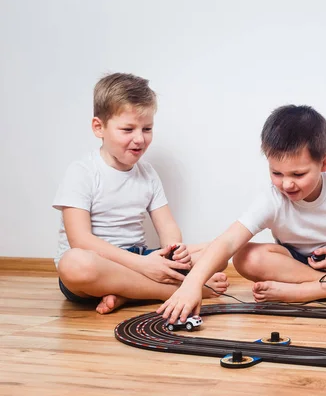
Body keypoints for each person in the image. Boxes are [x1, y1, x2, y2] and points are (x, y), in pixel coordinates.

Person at [158, 104, 326, 323]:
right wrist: (191, 284)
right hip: (294, 267)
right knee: (245, 257)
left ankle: (305, 293)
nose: (287, 184)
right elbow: (227, 241)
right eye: (276, 173)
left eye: (298, 174)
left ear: (325, 163)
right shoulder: (272, 198)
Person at [53, 72, 228, 314]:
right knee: (75, 264)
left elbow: (167, 227)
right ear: (98, 127)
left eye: (147, 129)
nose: (139, 139)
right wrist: (144, 266)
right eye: (127, 129)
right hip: (102, 264)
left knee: (218, 251)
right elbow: (80, 241)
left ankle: (127, 294)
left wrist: (174, 252)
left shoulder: (147, 173)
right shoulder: (82, 172)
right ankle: (180, 289)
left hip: (141, 257)